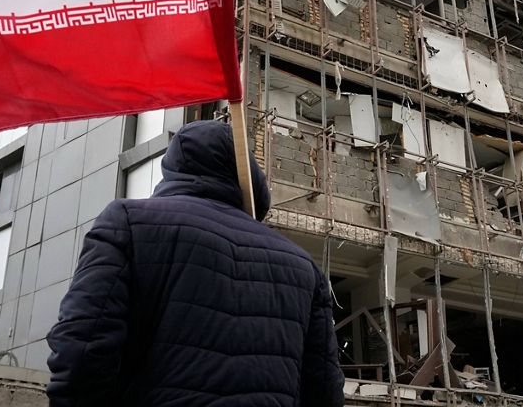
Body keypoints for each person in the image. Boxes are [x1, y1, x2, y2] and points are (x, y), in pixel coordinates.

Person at [46, 120, 345, 407]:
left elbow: (81, 351)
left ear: (174, 167)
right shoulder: (304, 267)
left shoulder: (127, 224)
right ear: (249, 173)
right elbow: (324, 390)